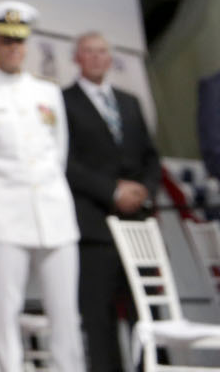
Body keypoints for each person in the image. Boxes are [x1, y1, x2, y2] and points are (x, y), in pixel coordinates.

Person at [0, 2, 84, 372]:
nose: (14, 48)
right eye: (5, 40)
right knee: (4, 314)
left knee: (65, 313)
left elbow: (59, 151)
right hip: (4, 215)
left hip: (54, 212)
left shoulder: (47, 92)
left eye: (20, 41)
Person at [62, 32, 159, 372]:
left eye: (102, 52)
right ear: (77, 58)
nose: (97, 58)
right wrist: (112, 191)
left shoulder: (129, 101)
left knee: (147, 313)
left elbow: (150, 156)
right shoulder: (64, 101)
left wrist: (143, 190)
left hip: (138, 225)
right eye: (89, 52)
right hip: (94, 226)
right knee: (98, 317)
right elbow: (66, 161)